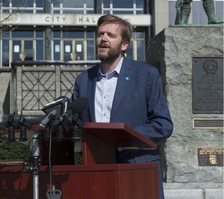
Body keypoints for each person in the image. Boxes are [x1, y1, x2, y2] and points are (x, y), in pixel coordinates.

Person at [71, 14, 173, 199]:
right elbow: (76, 123)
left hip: (137, 171)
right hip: (97, 171)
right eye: (100, 34)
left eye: (111, 35)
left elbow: (163, 125)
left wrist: (121, 138)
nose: (103, 39)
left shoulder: (146, 75)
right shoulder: (84, 80)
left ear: (124, 45)